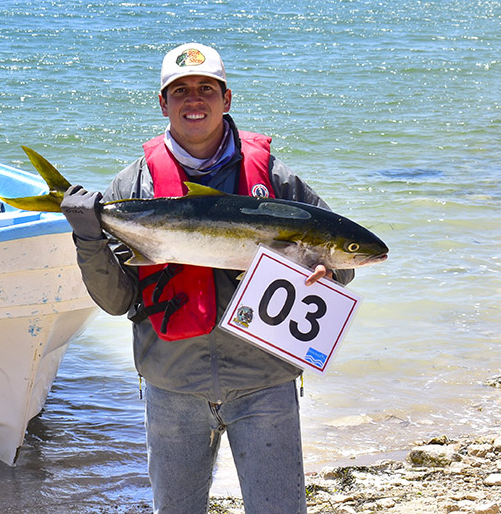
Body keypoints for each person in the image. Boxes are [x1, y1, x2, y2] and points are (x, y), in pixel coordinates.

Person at [59, 42, 355, 514]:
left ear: (227, 98)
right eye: (180, 91)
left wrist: (329, 270)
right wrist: (88, 240)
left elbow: (340, 259)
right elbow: (116, 301)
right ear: (163, 103)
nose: (193, 99)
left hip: (265, 382)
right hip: (172, 384)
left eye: (205, 88)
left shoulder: (275, 180)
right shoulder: (132, 189)